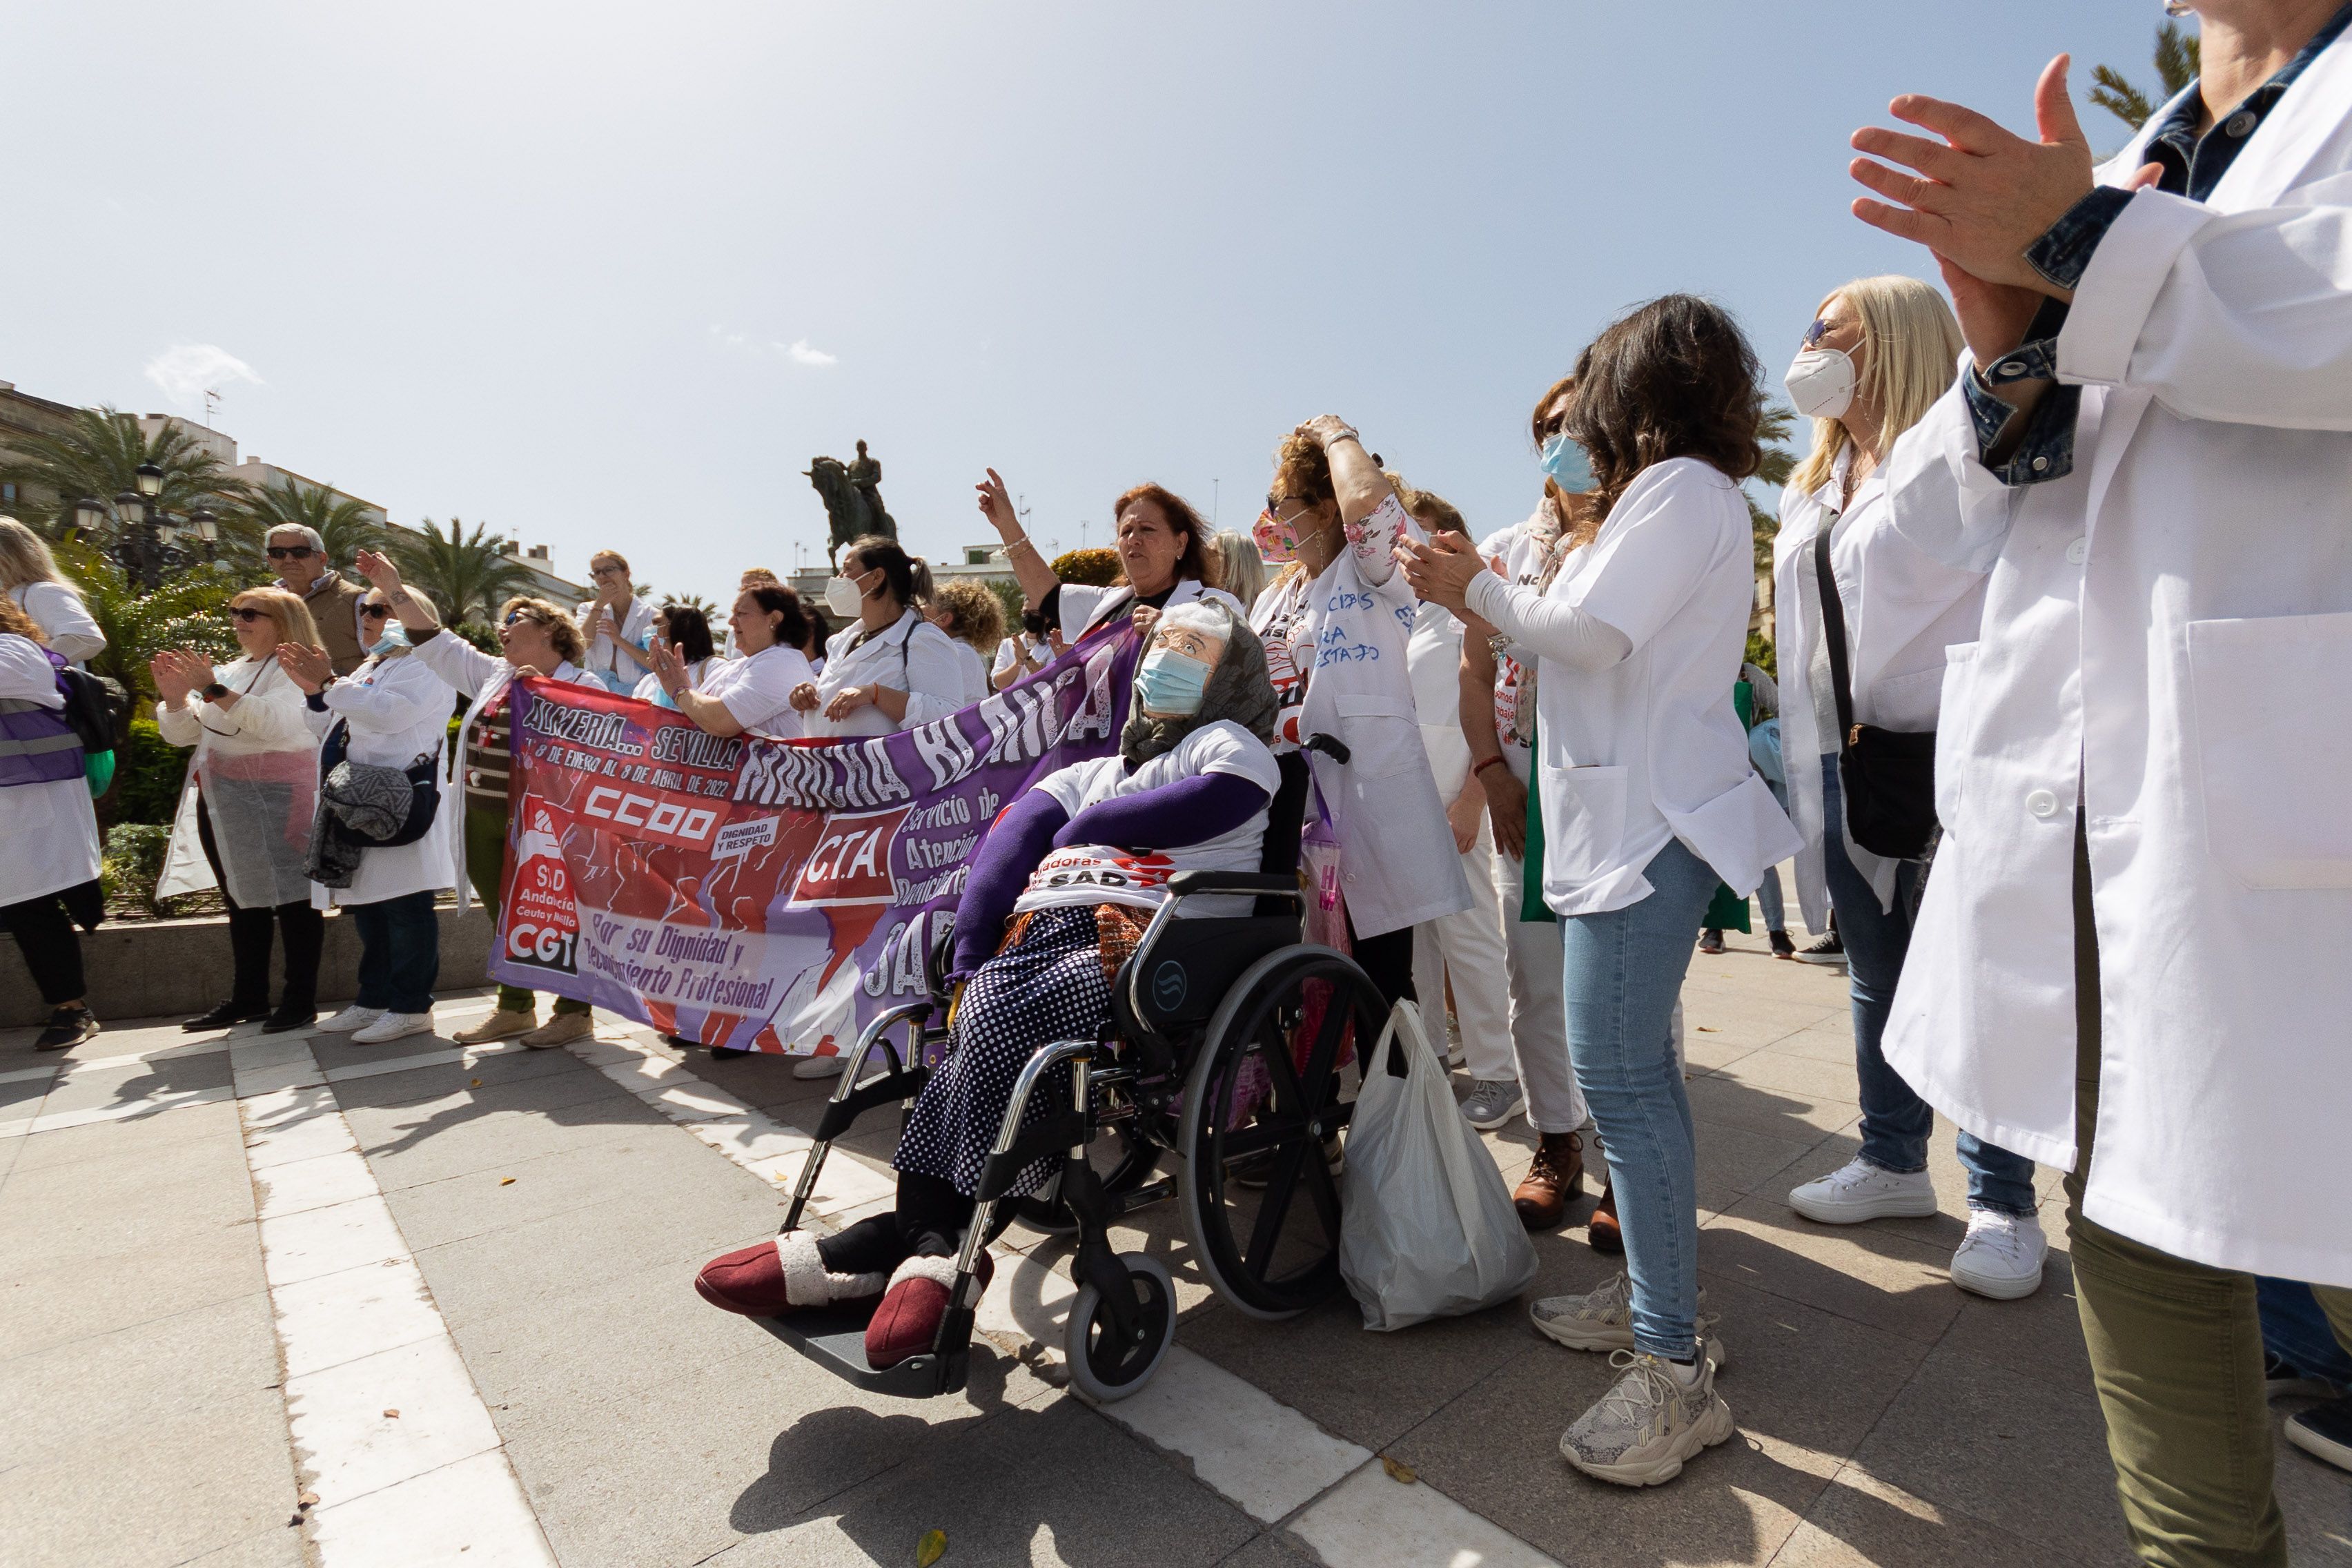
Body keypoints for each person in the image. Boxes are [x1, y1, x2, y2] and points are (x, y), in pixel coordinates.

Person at [1851, 18, 2352, 1558]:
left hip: (2295, 829)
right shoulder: (2141, 165)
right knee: (2184, 1482)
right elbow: (1960, 511)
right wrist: (2012, 334)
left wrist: (2081, 240)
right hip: (2088, 860)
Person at [1403, 295, 1801, 1488]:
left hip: (1645, 829)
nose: (1570, 426)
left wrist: (1470, 586)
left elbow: (1584, 637)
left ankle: (1673, 1372)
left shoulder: (1680, 491)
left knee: (1624, 1090)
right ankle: (1648, 1309)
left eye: (1589, 396)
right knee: (1622, 1086)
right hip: (1613, 825)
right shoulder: (1651, 502)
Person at [692, 602, 1281, 1368]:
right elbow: (1013, 834)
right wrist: (969, 950)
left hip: (1153, 939)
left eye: (1191, 649)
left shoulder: (1231, 742)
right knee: (978, 1001)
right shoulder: (1096, 767)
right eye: (1161, 644)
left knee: (1010, 1015)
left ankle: (917, 1243)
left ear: (1227, 672)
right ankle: (925, 1245)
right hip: (1045, 930)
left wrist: (1086, 830)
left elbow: (1217, 799)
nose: (1167, 658)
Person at [1767, 275, 2044, 1300]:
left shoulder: (1960, 447)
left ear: (1885, 340)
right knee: (1875, 972)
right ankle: (1892, 1162)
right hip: (1843, 754)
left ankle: (2005, 1202)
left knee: (1977, 973)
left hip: (1954, 745)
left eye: (1824, 327)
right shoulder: (1811, 486)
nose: (1806, 344)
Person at [1250, 418, 1471, 1014]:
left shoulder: (1375, 570)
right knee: (1295, 983)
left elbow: (1371, 505)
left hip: (1365, 803)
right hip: (1284, 804)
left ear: (1324, 509)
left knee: (1376, 985)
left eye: (1280, 503)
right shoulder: (1278, 594)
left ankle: (1393, 1105)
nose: (1269, 518)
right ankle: (1322, 1104)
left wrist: (1334, 435)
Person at [351, 549, 606, 1048]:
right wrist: (395, 587)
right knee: (504, 913)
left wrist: (552, 701)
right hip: (483, 816)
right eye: (502, 620)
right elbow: (435, 642)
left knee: (555, 913)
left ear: (553, 633)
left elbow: (601, 752)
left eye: (517, 619)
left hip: (542, 825)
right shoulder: (494, 674)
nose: (504, 627)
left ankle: (575, 1012)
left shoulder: (584, 684)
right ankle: (515, 1009)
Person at [1456, 376, 1595, 1232]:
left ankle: (1625, 1164)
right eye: (1545, 427)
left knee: (1628, 995)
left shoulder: (1632, 540)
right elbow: (1476, 671)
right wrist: (1493, 773)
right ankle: (1558, 1142)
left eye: (1574, 424)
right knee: (1535, 984)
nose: (1558, 439)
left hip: (1609, 797)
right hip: (1521, 803)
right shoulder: (1505, 550)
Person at [787, 540, 969, 1077]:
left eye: (848, 571)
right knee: (839, 921)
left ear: (878, 579)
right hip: (838, 802)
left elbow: (953, 722)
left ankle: (882, 1044)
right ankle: (835, 1035)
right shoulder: (843, 640)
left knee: (885, 926)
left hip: (898, 806)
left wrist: (875, 695)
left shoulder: (924, 640)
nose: (838, 580)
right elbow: (830, 708)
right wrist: (808, 698)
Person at [1395, 484, 1522, 1133]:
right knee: (1419, 938)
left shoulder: (1470, 612)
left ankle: (1500, 1075)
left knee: (1470, 939)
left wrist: (1475, 799)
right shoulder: (1406, 614)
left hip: (1457, 797)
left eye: (1418, 534)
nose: (1404, 548)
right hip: (1412, 801)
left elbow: (1495, 710)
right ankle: (1431, 1063)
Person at [277, 587, 457, 1046]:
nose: (369, 618)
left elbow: (391, 715)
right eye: (365, 610)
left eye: (381, 609)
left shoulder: (427, 664)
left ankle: (412, 1006)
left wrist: (330, 685)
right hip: (359, 803)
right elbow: (327, 725)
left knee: (405, 907)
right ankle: (373, 1000)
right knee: (368, 908)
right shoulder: (372, 666)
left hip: (400, 804)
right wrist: (316, 693)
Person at [151, 589, 327, 1033]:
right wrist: (175, 700)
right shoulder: (231, 669)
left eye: (250, 613)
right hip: (225, 797)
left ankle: (299, 1000)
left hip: (284, 794)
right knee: (241, 898)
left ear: (284, 620)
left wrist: (211, 689)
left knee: (296, 902)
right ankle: (249, 996)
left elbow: (275, 724)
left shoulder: (299, 667)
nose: (238, 620)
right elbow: (184, 734)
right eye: (233, 612)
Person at [0, 596, 103, 1050]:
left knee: (31, 908)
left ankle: (71, 1009)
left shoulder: (16, 650)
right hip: (18, 810)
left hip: (30, 809)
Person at [976, 469, 1244, 643]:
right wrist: (1007, 524)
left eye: (1147, 529)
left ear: (1180, 543)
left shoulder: (1215, 605)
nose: (1133, 540)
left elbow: (1233, 666)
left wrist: (1167, 631)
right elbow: (1047, 595)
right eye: (1125, 531)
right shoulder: (1107, 605)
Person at [1698, 660, 1795, 958]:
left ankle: (1776, 931)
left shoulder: (1747, 673)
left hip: (1748, 777)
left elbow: (1785, 711)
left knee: (1759, 854)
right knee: (1714, 854)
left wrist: (1761, 743)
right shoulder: (1696, 666)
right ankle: (1716, 926)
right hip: (1707, 774)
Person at [647, 584, 814, 739]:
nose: (731, 621)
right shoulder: (740, 664)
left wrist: (680, 691)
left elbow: (722, 721)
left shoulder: (783, 663)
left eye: (740, 614)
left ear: (773, 619)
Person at [265, 525, 371, 676]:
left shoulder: (355, 600)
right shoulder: (266, 603)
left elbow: (379, 660)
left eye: (299, 552)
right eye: (278, 553)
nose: (288, 559)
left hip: (334, 695)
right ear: (270, 560)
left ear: (322, 558)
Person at [0, 518, 105, 665]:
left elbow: (85, 638)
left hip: (46, 687)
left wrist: (32, 663)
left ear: (7, 557)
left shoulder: (41, 592)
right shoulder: (11, 597)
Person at [576, 549, 657, 693]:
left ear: (626, 574)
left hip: (638, 694)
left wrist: (619, 641)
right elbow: (581, 645)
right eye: (596, 572)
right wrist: (599, 606)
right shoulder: (587, 609)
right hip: (596, 690)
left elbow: (656, 663)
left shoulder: (650, 615)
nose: (602, 576)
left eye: (608, 570)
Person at [925, 579, 1003, 707]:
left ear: (944, 619)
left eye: (925, 603)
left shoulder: (957, 653)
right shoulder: (960, 651)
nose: (917, 607)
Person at [630, 605, 716, 709]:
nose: (650, 629)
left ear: (677, 627)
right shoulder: (647, 682)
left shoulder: (712, 670)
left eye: (657, 623)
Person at [991, 608, 1056, 692]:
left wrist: (1026, 658)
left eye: (1034, 613)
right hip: (1012, 704)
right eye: (1025, 612)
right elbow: (999, 684)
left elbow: (1048, 682)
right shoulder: (1007, 644)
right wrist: (1018, 663)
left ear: (1047, 618)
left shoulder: (1053, 645)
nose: (1029, 617)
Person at [1209, 528, 1268, 616]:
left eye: (1213, 554)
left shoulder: (1267, 612)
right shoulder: (1200, 604)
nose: (1204, 559)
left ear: (1238, 564)